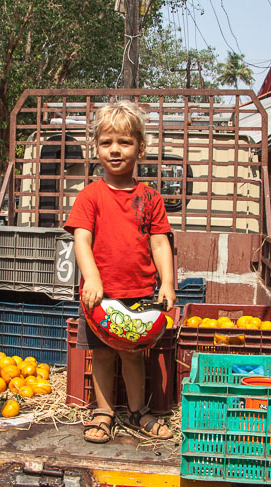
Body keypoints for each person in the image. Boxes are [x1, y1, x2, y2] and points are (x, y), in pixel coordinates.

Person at [64, 100, 177, 444]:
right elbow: (81, 241)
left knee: (132, 355)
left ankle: (138, 410)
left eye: (125, 142)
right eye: (106, 142)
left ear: (140, 148)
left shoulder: (150, 198)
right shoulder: (90, 196)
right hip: (99, 296)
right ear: (96, 148)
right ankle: (104, 411)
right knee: (101, 354)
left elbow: (160, 244)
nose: (115, 150)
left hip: (139, 294)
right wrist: (93, 278)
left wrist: (168, 283)